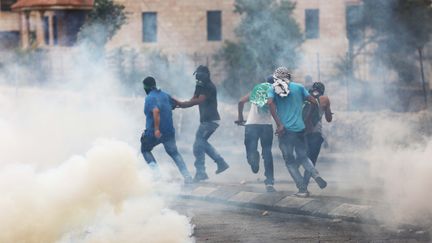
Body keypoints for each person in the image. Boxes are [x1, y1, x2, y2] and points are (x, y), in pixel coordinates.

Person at [267, 67, 327, 197]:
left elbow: (270, 103)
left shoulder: (274, 88)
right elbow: (313, 102)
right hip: (300, 129)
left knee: (289, 162)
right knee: (303, 156)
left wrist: (279, 124)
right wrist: (305, 120)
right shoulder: (299, 87)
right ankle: (316, 175)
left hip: (285, 131)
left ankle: (302, 189)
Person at [175, 65, 229, 182]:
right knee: (198, 145)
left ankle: (216, 164)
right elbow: (194, 98)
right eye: (197, 74)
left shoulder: (208, 86)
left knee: (199, 143)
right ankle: (205, 170)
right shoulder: (200, 85)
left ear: (206, 75)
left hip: (211, 120)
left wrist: (183, 104)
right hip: (206, 120)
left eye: (200, 74)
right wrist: (181, 104)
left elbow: (200, 100)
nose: (198, 76)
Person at [140, 76, 193, 184]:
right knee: (174, 153)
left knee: (145, 150)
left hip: (154, 133)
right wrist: (193, 102)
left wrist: (156, 130)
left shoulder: (150, 98)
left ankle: (157, 175)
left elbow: (156, 111)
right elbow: (179, 104)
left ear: (146, 88)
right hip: (169, 132)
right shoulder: (165, 95)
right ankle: (187, 176)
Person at [236, 76, 276, 192]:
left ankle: (254, 161)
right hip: (266, 126)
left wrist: (240, 118)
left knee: (251, 151)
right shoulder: (276, 93)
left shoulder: (256, 90)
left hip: (251, 125)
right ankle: (269, 182)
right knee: (267, 153)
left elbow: (240, 101)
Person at [303, 82, 333, 192]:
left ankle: (304, 184)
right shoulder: (325, 99)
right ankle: (305, 184)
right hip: (316, 134)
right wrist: (327, 110)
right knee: (312, 160)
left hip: (303, 132)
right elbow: (329, 119)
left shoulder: (306, 97)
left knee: (303, 158)